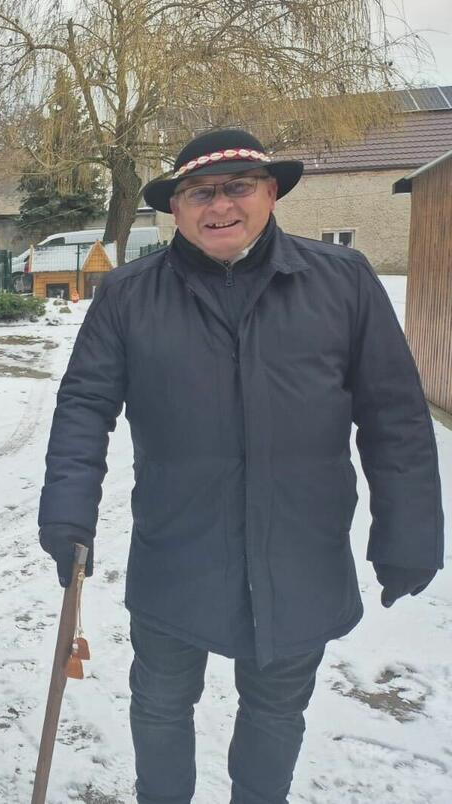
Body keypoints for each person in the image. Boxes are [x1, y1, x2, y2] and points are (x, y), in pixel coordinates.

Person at [37, 127, 444, 803]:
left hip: (299, 551)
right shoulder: (130, 295)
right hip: (177, 547)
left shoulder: (341, 281)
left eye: (238, 187)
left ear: (271, 193)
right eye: (200, 192)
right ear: (175, 207)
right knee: (160, 704)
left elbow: (395, 416)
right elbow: (84, 406)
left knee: (277, 712)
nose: (220, 205)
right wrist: (66, 511)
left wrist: (409, 532)